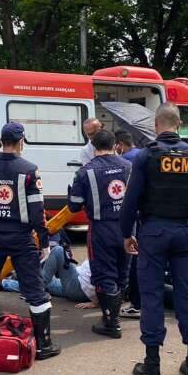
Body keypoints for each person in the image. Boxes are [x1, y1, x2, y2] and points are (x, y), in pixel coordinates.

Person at [121, 102, 188, 375]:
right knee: (186, 297)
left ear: (156, 125)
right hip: (183, 234)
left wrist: (127, 233)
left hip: (152, 232)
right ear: (178, 124)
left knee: (151, 297)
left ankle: (152, 366)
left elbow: (130, 201)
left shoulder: (145, 156)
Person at [0, 122, 61, 360]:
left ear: (1, 141)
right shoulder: (29, 169)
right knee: (36, 291)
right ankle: (44, 345)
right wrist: (44, 241)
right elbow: (38, 211)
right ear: (21, 142)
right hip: (23, 239)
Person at [68, 130, 132, 338]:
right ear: (116, 145)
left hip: (101, 229)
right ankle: (114, 317)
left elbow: (75, 206)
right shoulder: (129, 167)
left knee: (104, 274)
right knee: (122, 272)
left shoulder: (85, 172)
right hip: (128, 228)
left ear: (93, 146)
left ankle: (110, 322)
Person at [2, 245, 97, 309]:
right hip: (77, 282)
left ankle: (35, 285)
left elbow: (108, 280)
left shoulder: (106, 245)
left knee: (58, 251)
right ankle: (5, 283)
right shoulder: (104, 241)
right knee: (47, 283)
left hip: (77, 287)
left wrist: (96, 303)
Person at [115, 129, 141, 319]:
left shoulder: (127, 161)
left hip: (134, 217)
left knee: (133, 261)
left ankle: (135, 303)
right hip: (149, 216)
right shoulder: (142, 154)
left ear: (119, 145)